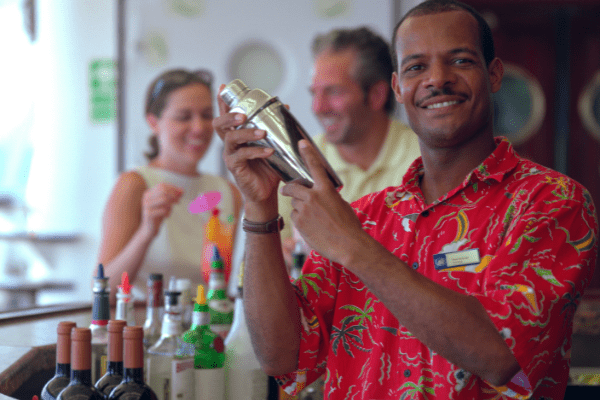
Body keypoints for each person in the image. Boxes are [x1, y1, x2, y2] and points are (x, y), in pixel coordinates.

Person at [214, 1, 599, 398]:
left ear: (494, 74)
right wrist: (259, 209)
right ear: (398, 87)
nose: (437, 79)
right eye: (416, 67)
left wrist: (355, 248)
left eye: (461, 61)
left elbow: (500, 354)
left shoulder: (552, 202)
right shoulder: (366, 215)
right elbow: (284, 359)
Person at [98, 68, 242, 300]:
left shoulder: (228, 192)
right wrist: (147, 232)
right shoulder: (135, 185)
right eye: (184, 117)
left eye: (206, 115)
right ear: (154, 122)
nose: (198, 128)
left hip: (206, 326)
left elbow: (220, 285)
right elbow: (103, 289)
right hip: (146, 328)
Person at [278, 27, 420, 251]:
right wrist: (282, 260)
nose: (318, 108)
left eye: (333, 92)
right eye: (314, 93)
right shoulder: (298, 163)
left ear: (376, 96)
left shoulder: (424, 159)